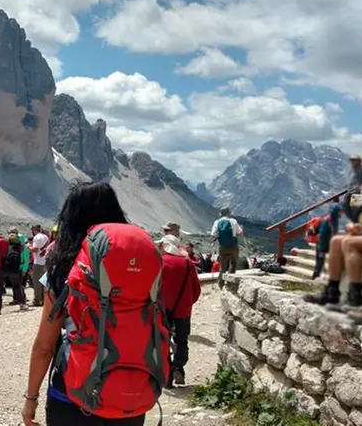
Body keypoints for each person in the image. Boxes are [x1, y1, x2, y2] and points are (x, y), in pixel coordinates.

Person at [23, 182, 162, 425]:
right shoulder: (140, 269)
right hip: (130, 393)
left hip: (71, 392)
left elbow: (44, 346)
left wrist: (31, 398)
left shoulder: (61, 270)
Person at [157, 235, 201, 388]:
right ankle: (178, 367)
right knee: (182, 341)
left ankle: (167, 376)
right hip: (183, 311)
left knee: (162, 341)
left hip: (162, 310)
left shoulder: (160, 262)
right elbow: (196, 289)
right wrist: (187, 304)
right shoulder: (188, 263)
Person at [211, 208, 243, 288]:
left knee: (223, 266)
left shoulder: (217, 222)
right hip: (233, 246)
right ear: (229, 213)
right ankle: (230, 283)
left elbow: (213, 234)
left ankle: (220, 283)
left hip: (222, 246)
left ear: (221, 213)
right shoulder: (233, 221)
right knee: (233, 263)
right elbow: (240, 232)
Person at [1, 233, 28, 312]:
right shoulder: (21, 248)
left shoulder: (7, 247)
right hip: (16, 269)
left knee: (0, 287)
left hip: (6, 269)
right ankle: (21, 303)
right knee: (17, 286)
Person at [29, 225, 50, 307]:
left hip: (38, 262)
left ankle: (37, 299)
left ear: (34, 230)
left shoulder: (37, 237)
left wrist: (29, 247)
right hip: (46, 262)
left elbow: (35, 249)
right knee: (44, 282)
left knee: (37, 282)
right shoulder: (46, 237)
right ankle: (44, 299)